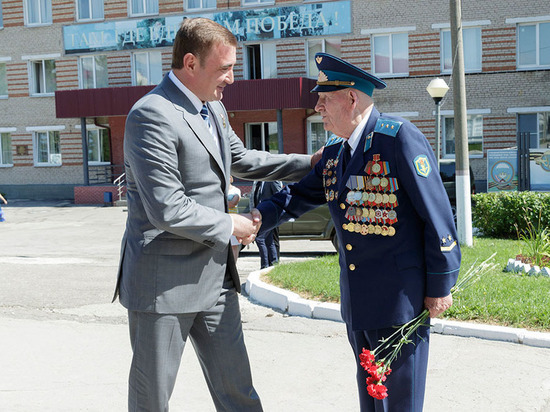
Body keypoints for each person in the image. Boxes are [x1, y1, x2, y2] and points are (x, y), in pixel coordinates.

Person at [112, 18, 321, 412]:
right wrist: (230, 224)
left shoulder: (213, 109)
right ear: (190, 63)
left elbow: (241, 159)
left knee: (239, 393)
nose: (231, 78)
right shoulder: (151, 114)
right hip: (163, 286)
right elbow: (166, 207)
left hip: (216, 281)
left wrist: (307, 162)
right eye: (224, 68)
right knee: (151, 401)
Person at [256, 53, 461, 412]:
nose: (318, 106)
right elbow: (297, 197)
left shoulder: (397, 138)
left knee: (400, 401)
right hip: (359, 301)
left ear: (352, 98)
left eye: (325, 97)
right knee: (370, 397)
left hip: (401, 301)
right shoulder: (335, 152)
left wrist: (441, 285)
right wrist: (256, 219)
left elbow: (438, 216)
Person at [249, 180, 283, 269]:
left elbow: (280, 196)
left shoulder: (272, 180)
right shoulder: (258, 182)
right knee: (269, 239)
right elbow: (255, 197)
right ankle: (274, 263)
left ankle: (265, 265)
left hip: (270, 214)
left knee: (259, 238)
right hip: (260, 213)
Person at [228, 176, 242, 261]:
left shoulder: (236, 190)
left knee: (233, 245)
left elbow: (233, 204)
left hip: (233, 220)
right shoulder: (220, 189)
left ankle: (234, 264)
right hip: (223, 219)